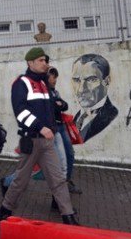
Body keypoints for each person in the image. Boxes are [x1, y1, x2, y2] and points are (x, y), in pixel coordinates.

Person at [0, 47, 77, 225]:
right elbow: (20, 112)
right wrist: (41, 127)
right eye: (41, 60)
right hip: (31, 141)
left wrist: (53, 125)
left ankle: (68, 216)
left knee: (58, 179)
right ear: (30, 63)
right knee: (20, 182)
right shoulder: (21, 83)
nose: (45, 63)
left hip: (48, 141)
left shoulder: (44, 84)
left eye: (45, 60)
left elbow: (48, 110)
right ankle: (4, 210)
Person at [47, 67, 81, 195]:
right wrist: (58, 104)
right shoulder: (45, 93)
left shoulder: (55, 92)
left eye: (56, 77)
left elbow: (64, 105)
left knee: (69, 154)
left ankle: (66, 182)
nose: (55, 79)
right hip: (53, 129)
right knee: (58, 160)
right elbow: (55, 107)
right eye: (53, 76)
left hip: (61, 126)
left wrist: (59, 104)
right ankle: (60, 188)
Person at [71, 54, 118, 143]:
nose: (81, 89)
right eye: (76, 80)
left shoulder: (111, 114)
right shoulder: (77, 117)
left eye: (91, 80)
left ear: (107, 82)